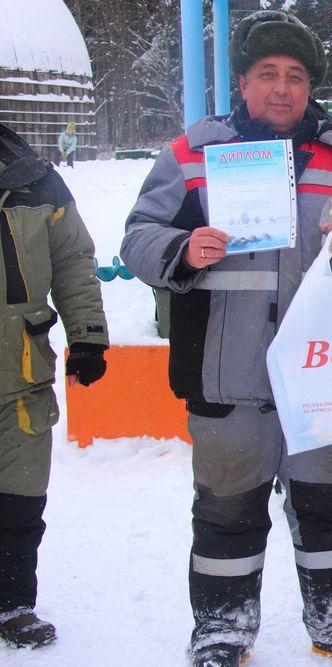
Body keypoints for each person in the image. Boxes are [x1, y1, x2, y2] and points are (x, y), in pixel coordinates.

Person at [119, 11, 332, 667]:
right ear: (242, 83)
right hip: (227, 374)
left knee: (331, 507)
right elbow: (139, 237)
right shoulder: (190, 155)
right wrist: (182, 248)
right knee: (227, 510)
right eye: (267, 73)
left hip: (322, 377)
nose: (281, 87)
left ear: (310, 87)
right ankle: (222, 629)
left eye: (295, 76)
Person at [0, 123, 108, 649]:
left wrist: (87, 336)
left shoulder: (35, 179)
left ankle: (12, 603)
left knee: (20, 498)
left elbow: (71, 260)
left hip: (19, 374)